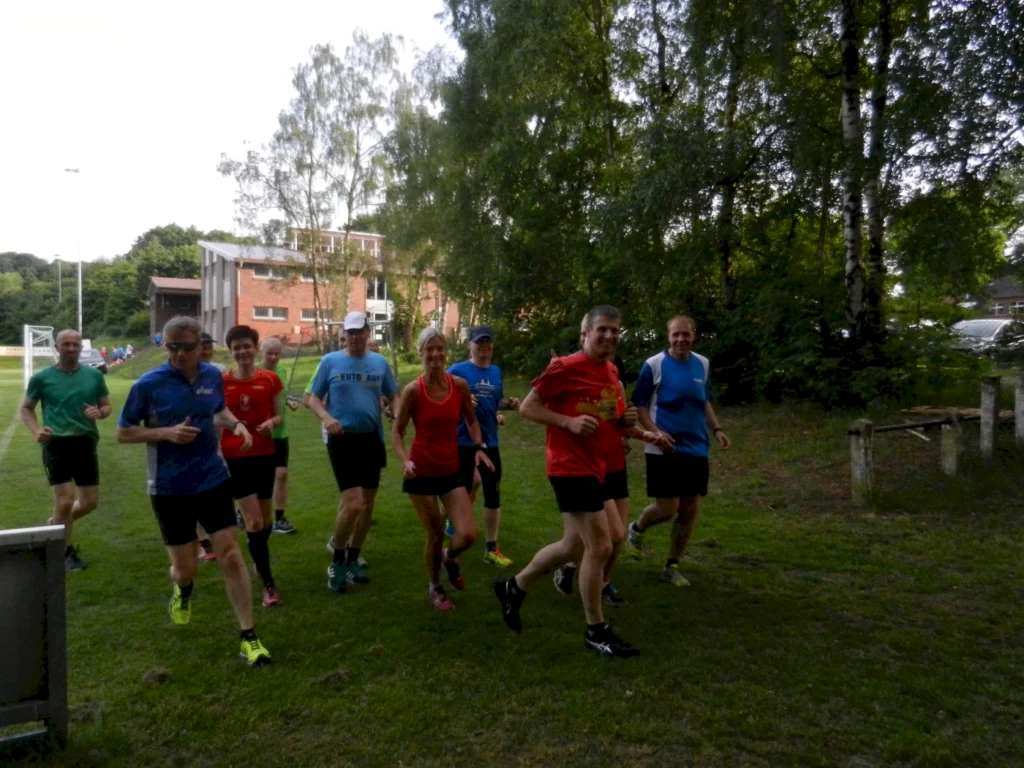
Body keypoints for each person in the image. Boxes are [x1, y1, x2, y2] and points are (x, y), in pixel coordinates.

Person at [116, 316, 271, 666]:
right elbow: (123, 432)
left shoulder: (213, 375)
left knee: (230, 553)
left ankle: (249, 636)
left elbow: (216, 409)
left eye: (188, 347)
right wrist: (164, 433)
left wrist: (236, 424)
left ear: (200, 345)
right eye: (174, 347)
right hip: (169, 488)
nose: (182, 354)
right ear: (165, 345)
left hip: (212, 478)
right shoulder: (148, 384)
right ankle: (182, 590)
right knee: (185, 569)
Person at [494, 305, 640, 657]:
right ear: (585, 334)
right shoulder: (564, 367)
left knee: (576, 546)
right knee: (601, 547)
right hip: (569, 466)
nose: (609, 336)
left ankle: (515, 586)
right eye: (602, 329)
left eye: (615, 331)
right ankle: (595, 630)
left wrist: (624, 422)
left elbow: (604, 418)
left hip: (597, 466)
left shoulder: (610, 371)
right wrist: (566, 422)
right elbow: (528, 408)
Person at [625, 314, 731, 586]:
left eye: (686, 334)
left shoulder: (702, 364)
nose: (681, 339)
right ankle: (637, 528)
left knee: (690, 508)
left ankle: (672, 564)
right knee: (668, 508)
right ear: (668, 335)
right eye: (676, 334)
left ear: (694, 335)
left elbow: (703, 401)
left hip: (696, 446)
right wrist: (656, 432)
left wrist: (717, 429)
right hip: (663, 447)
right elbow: (639, 406)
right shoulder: (654, 365)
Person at [392, 327, 494, 611]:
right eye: (429, 349)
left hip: (450, 472)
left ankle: (449, 556)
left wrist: (478, 448)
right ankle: (435, 586)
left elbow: (471, 421)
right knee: (435, 532)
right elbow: (397, 432)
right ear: (421, 353)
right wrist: (404, 461)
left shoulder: (459, 386)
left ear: (446, 352)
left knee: (469, 534)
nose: (435, 354)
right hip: (421, 473)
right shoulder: (414, 390)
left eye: (440, 348)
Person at [307, 312, 399, 593]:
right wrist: (326, 418)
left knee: (367, 505)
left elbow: (393, 393)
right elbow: (312, 397)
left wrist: (396, 413)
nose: (356, 337)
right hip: (342, 438)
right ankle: (336, 562)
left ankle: (352, 558)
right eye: (351, 333)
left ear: (368, 332)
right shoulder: (330, 361)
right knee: (354, 504)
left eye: (360, 332)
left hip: (371, 438)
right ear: (344, 334)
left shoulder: (379, 363)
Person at [20, 329, 111, 571]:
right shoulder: (42, 378)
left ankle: (55, 525)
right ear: (57, 348)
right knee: (64, 501)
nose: (71, 348)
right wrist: (36, 431)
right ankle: (64, 552)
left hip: (85, 442)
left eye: (75, 344)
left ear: (81, 347)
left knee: (90, 502)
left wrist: (99, 412)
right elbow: (26, 409)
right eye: (66, 344)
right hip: (56, 443)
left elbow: (106, 406)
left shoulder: (93, 376)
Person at [222, 325, 284, 607]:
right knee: (255, 522)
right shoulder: (221, 382)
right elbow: (217, 416)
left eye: (247, 346)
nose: (242, 352)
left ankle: (258, 554)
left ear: (255, 348)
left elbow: (278, 416)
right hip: (235, 456)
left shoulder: (270, 379)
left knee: (266, 521)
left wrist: (271, 423)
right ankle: (268, 584)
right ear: (231, 351)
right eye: (237, 348)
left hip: (264, 454)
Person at [447, 326, 520, 568]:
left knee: (493, 493)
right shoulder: (457, 370)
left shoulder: (496, 371)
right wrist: (460, 400)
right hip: (463, 441)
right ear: (470, 344)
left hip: (491, 441)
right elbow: (441, 396)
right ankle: (446, 526)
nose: (484, 347)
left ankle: (491, 548)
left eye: (488, 343)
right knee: (460, 491)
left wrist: (507, 405)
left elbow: (495, 400)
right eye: (480, 343)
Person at [196, 332, 227, 560]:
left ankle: (216, 531)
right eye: (202, 347)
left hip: (218, 435)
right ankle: (202, 540)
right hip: (195, 435)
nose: (206, 351)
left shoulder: (219, 370)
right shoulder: (185, 372)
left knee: (217, 485)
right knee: (195, 488)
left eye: (209, 347)